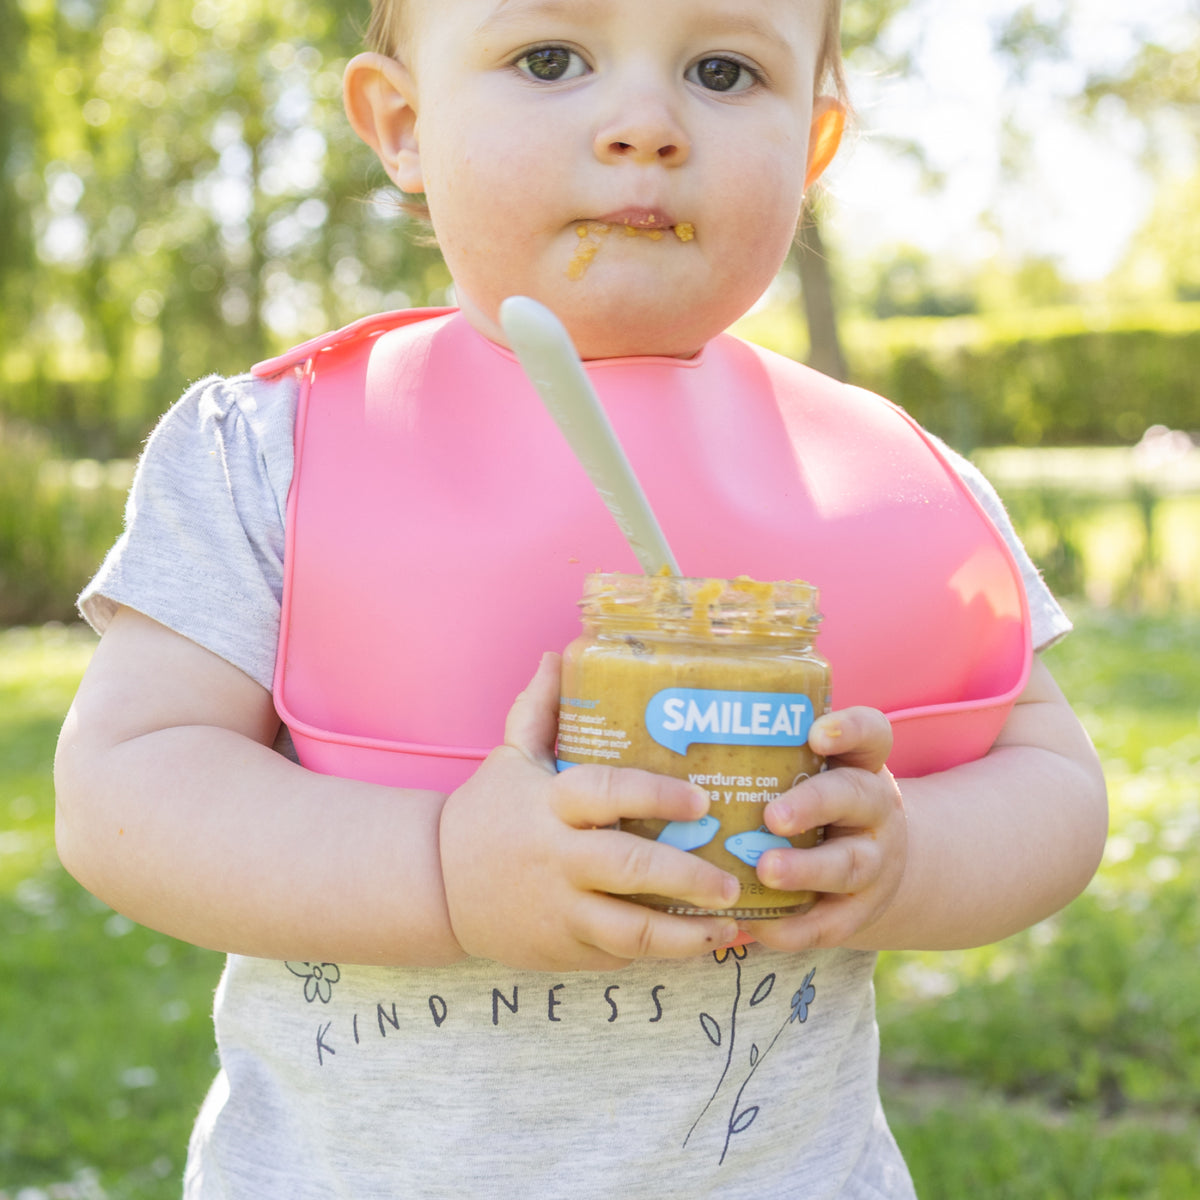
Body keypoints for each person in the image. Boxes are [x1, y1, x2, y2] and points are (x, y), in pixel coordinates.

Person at [54, 0, 1107, 1196]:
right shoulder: (274, 451)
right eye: (549, 59)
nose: (645, 125)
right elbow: (123, 788)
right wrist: (443, 868)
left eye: (722, 69)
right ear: (403, 124)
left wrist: (910, 858)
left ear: (813, 149)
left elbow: (1054, 780)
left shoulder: (895, 487)